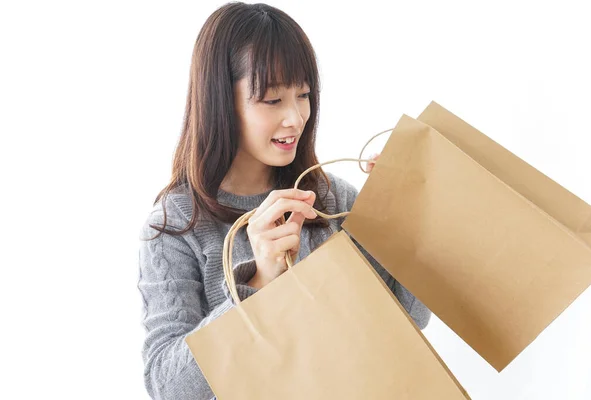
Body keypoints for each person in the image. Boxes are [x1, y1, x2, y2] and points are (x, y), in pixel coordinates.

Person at [137, 2, 431, 399]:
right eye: (272, 100)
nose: (296, 117)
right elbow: (168, 389)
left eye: (304, 95)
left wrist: (402, 220)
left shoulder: (332, 198)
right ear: (221, 101)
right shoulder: (175, 226)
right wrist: (257, 283)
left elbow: (407, 324)